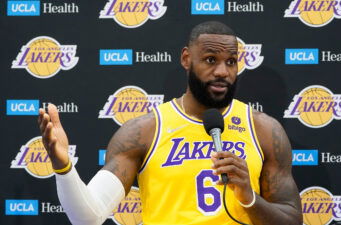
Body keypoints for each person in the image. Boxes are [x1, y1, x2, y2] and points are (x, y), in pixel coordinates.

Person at [38, 21, 302, 225]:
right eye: (211, 60)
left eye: (231, 62)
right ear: (186, 59)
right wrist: (64, 168)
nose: (222, 71)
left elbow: (292, 220)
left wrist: (249, 198)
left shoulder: (264, 130)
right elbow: (89, 217)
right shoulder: (144, 132)